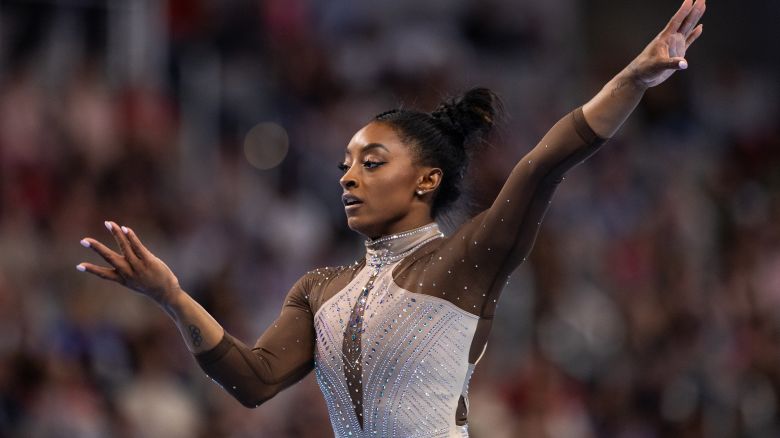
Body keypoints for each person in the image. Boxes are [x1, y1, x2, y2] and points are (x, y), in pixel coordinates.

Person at [76, 1, 705, 436]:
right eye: (347, 163)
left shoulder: (464, 262)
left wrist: (632, 77)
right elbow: (253, 380)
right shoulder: (318, 289)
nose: (348, 176)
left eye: (372, 163)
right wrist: (170, 295)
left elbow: (544, 164)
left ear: (426, 179)